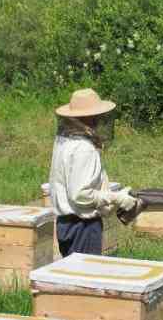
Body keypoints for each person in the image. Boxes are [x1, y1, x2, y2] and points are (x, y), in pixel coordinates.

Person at [49, 88, 137, 257]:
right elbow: (80, 194)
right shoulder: (83, 148)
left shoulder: (63, 141)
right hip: (82, 226)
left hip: (66, 224)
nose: (98, 120)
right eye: (96, 116)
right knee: (83, 279)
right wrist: (116, 198)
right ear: (88, 117)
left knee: (73, 278)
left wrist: (110, 195)